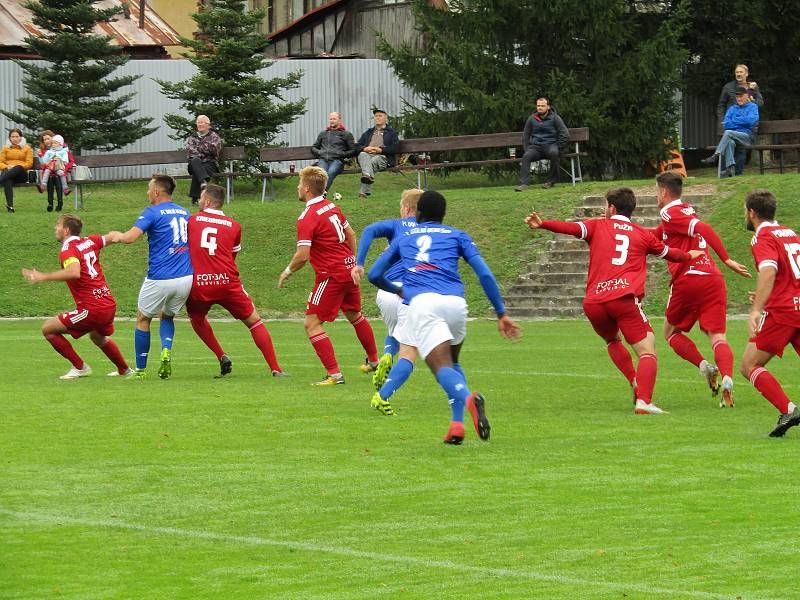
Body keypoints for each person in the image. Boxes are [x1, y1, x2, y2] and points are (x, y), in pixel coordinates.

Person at [525, 188, 702, 414]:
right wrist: (690, 256)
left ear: (611, 207)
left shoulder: (596, 226)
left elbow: (570, 228)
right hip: (623, 299)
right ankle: (644, 402)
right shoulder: (643, 234)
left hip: (594, 302)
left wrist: (543, 223)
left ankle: (633, 380)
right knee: (647, 350)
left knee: (612, 341)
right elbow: (672, 254)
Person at [368, 190, 521, 442]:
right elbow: (485, 275)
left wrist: (397, 289)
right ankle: (456, 426)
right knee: (453, 362)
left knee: (440, 368)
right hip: (456, 304)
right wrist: (501, 313)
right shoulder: (457, 235)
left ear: (417, 213)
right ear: (444, 214)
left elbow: (374, 275)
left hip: (423, 304)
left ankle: (470, 400)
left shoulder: (405, 237)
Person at [654, 172, 751, 407]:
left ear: (664, 192)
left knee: (671, 333)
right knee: (718, 336)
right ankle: (727, 379)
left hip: (689, 279)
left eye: (656, 191)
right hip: (713, 279)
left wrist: (727, 259)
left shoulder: (669, 211)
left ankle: (704, 366)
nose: (656, 196)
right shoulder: (684, 211)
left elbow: (705, 228)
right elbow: (652, 237)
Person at [277, 166, 379, 385]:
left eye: (298, 185)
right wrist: (351, 261)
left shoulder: (308, 216)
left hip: (331, 275)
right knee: (355, 314)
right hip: (348, 270)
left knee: (311, 323)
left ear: (305, 188)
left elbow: (303, 255)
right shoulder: (332, 207)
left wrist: (287, 271)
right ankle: (374, 361)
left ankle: (334, 374)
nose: (297, 188)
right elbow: (350, 234)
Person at [186, 183, 287, 378]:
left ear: (207, 201)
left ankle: (221, 355)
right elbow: (232, 257)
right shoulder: (234, 226)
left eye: (200, 198)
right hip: (227, 282)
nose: (198, 201)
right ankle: (276, 369)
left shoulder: (192, 221)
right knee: (254, 321)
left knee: (197, 318)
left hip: (199, 283)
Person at [21, 214, 131, 379]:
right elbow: (113, 236)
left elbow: (74, 272)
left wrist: (43, 276)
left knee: (48, 329)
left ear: (65, 231)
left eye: (57, 225)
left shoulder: (68, 250)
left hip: (92, 308)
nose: (55, 229)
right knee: (97, 336)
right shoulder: (90, 241)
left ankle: (80, 367)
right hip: (108, 303)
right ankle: (125, 370)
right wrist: (126, 236)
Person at [107, 174, 193, 379]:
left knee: (143, 319)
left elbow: (130, 238)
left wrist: (115, 236)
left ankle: (141, 369)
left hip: (160, 277)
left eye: (148, 188)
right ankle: (166, 350)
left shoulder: (152, 212)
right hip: (185, 277)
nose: (147, 192)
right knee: (167, 316)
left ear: (156, 192)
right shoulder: (184, 212)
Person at [352, 188, 423, 400]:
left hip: (386, 290)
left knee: (394, 331)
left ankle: (385, 356)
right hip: (410, 292)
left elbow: (369, 230)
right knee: (410, 346)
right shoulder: (429, 230)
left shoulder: (397, 226)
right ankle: (384, 393)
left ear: (407, 208)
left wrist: (360, 264)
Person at [739, 190, 800, 437]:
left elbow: (769, 271)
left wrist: (756, 309)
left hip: (782, 312)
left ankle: (789, 409)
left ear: (752, 213)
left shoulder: (762, 237)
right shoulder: (790, 234)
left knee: (749, 364)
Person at [515, 96, 570, 191]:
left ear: (548, 107)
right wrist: (527, 149)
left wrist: (559, 148)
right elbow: (526, 135)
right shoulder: (532, 118)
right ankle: (524, 184)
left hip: (550, 146)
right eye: (538, 106)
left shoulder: (555, 118)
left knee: (554, 153)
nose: (540, 108)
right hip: (535, 147)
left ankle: (551, 181)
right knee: (526, 156)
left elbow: (565, 134)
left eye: (542, 106)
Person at [701, 87, 759, 177]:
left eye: (741, 96)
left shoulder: (753, 107)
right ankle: (730, 168)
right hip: (733, 136)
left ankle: (715, 155)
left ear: (746, 96)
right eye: (737, 97)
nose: (738, 99)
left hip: (747, 137)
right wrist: (741, 122)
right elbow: (726, 124)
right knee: (730, 142)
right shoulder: (732, 108)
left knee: (728, 133)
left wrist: (735, 120)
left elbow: (751, 121)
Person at [354, 109, 400, 199]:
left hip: (383, 157)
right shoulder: (369, 132)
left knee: (373, 161)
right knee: (362, 154)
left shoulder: (392, 133)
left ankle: (364, 185)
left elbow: (395, 148)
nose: (377, 118)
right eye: (376, 116)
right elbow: (357, 146)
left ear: (386, 119)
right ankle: (367, 176)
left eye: (380, 116)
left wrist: (380, 150)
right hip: (367, 156)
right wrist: (364, 148)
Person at [310, 112, 356, 191]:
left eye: (334, 119)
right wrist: (320, 153)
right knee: (322, 174)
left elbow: (353, 150)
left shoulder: (346, 134)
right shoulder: (323, 133)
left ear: (339, 121)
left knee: (331, 172)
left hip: (337, 161)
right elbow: (314, 147)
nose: (332, 121)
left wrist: (341, 154)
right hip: (323, 160)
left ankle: (321, 193)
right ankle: (321, 194)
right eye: (330, 119)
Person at [186, 115, 222, 205]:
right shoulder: (192, 137)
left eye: (202, 122)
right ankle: (203, 181)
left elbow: (214, 150)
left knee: (198, 169)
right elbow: (191, 152)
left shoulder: (214, 136)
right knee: (195, 161)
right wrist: (206, 149)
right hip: (195, 162)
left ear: (208, 125)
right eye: (198, 122)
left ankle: (194, 199)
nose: (200, 124)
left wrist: (198, 148)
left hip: (210, 164)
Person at [36, 130, 75, 212]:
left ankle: (60, 203)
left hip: (61, 171)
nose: (46, 141)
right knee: (50, 177)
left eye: (48, 139)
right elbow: (43, 164)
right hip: (49, 172)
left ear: (53, 138)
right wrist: (41, 156)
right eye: (44, 140)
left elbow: (70, 161)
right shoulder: (45, 150)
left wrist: (64, 169)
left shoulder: (64, 150)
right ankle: (50, 203)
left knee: (57, 177)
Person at [0, 128, 33, 213]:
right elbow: (0, 162)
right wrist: (7, 167)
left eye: (17, 136)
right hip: (9, 173)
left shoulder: (27, 148)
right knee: (7, 178)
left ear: (21, 137)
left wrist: (16, 167)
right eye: (12, 136)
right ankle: (10, 207)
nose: (14, 138)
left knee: (17, 167)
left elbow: (29, 163)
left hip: (21, 174)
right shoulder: (5, 148)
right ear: (9, 138)